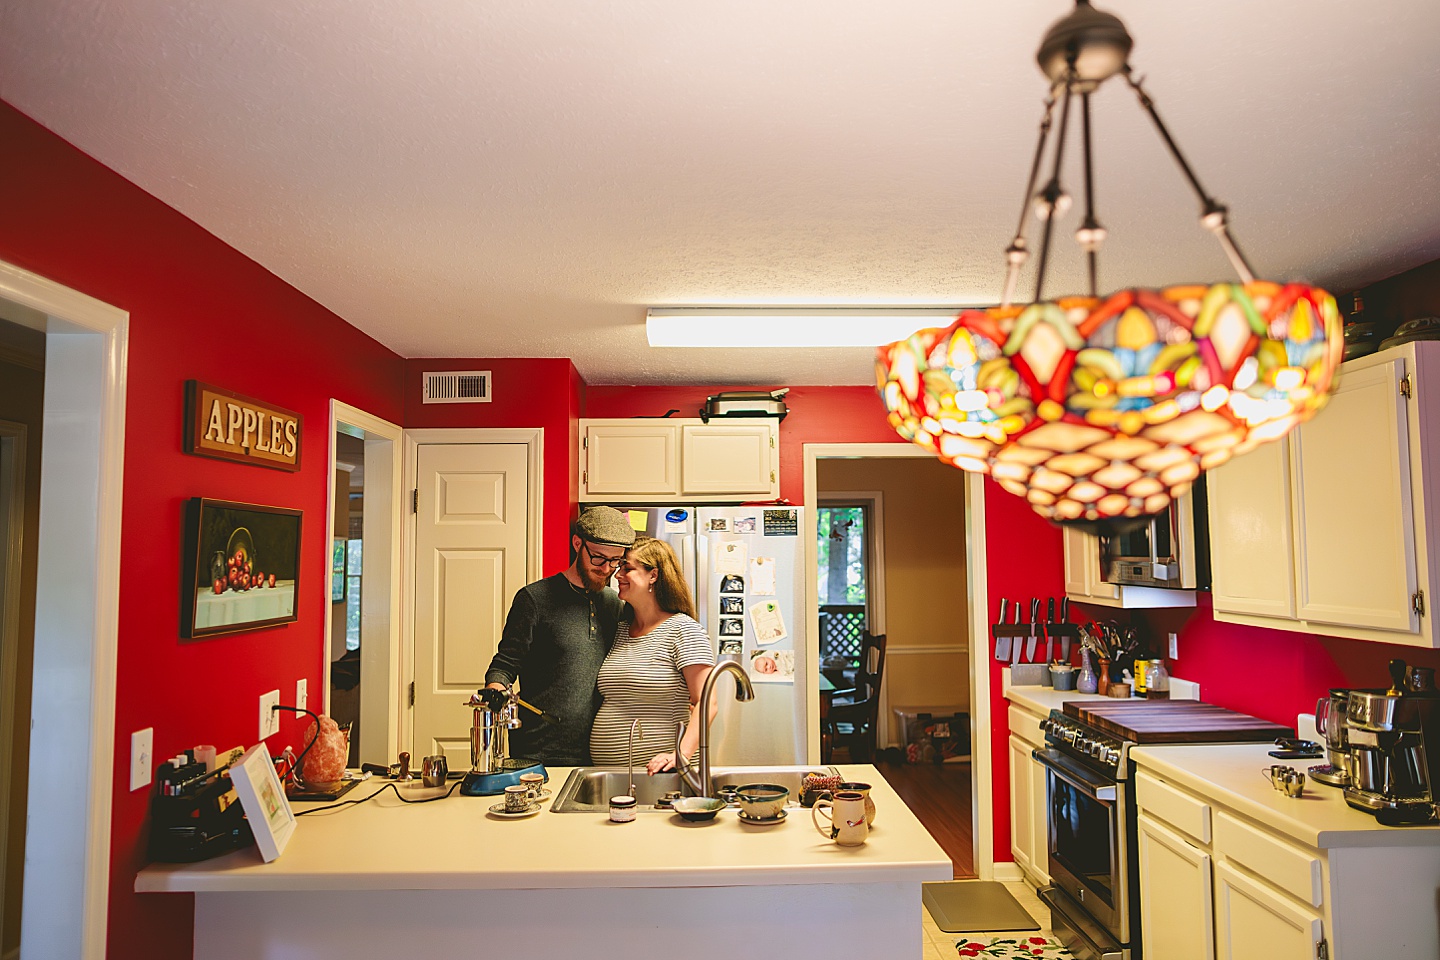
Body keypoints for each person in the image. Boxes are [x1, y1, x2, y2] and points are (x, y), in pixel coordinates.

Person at [482, 506, 636, 765]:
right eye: (598, 558)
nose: (607, 568)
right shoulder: (535, 599)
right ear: (578, 544)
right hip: (537, 750)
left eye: (615, 561)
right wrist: (495, 690)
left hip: (598, 750)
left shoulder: (614, 604)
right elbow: (505, 665)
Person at [590, 536, 715, 774]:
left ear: (653, 575)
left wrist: (682, 754)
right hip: (610, 774)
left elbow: (708, 702)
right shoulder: (621, 631)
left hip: (663, 774)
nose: (617, 575)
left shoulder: (683, 630)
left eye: (627, 568)